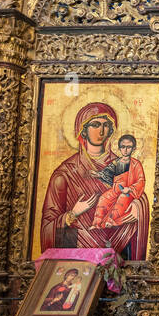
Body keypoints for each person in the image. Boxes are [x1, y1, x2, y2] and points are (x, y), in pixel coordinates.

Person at [39, 102, 149, 260]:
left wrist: (138, 207)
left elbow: (138, 189)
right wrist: (72, 214)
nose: (102, 130)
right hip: (78, 255)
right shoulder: (65, 173)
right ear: (83, 130)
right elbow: (47, 226)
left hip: (119, 244)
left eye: (106, 125)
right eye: (95, 125)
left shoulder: (124, 164)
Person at [92, 134, 145, 228]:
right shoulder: (116, 162)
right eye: (123, 147)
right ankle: (96, 224)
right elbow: (108, 172)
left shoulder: (136, 164)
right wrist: (98, 174)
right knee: (103, 198)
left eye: (128, 147)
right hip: (115, 190)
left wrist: (129, 189)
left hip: (128, 192)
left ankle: (110, 221)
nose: (125, 150)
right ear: (120, 148)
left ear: (133, 149)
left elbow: (141, 181)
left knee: (122, 199)